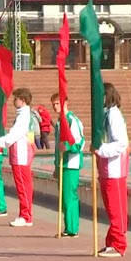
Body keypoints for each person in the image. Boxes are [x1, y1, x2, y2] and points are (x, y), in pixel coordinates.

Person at [0, 88, 35, 227]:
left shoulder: (24, 116)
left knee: (23, 186)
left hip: (21, 155)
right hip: (19, 154)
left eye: (16, 98)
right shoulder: (23, 115)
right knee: (24, 186)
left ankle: (25, 216)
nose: (14, 101)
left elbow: (12, 137)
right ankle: (25, 214)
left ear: (23, 100)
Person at [95, 83, 129, 257]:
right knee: (110, 208)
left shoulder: (113, 115)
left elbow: (121, 143)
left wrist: (101, 150)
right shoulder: (106, 115)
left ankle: (119, 244)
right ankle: (112, 241)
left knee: (116, 208)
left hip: (114, 168)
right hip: (106, 168)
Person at [51, 93, 84, 238]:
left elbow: (79, 142)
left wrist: (68, 147)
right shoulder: (59, 122)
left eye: (58, 103)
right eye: (53, 104)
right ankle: (68, 226)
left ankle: (72, 228)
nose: (55, 106)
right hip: (61, 165)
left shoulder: (72, 120)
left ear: (65, 103)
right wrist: (56, 165)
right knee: (64, 198)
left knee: (69, 197)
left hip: (71, 164)